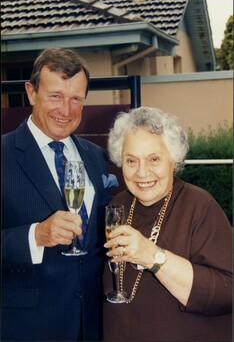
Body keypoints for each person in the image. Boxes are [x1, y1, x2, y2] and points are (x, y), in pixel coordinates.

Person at [1, 47, 118, 342]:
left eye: (76, 98)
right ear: (31, 92)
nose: (66, 110)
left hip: (93, 323)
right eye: (55, 96)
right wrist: (35, 235)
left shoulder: (96, 156)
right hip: (27, 327)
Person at [103, 106, 232, 342]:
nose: (142, 172)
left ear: (173, 160)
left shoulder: (201, 207)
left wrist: (153, 256)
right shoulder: (118, 205)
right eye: (131, 160)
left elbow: (227, 291)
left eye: (154, 159)